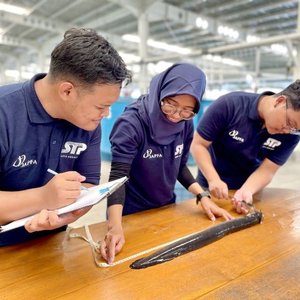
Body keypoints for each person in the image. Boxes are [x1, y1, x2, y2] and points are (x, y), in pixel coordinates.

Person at [0, 28, 131, 246]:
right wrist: (43, 198)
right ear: (67, 91)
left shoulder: (88, 122)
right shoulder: (5, 113)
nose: (106, 114)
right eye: (101, 106)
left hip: (53, 243)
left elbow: (89, 186)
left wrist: (69, 213)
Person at [100, 63, 233, 264]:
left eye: (187, 110)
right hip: (129, 213)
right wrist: (115, 227)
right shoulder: (131, 124)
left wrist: (203, 196)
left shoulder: (185, 123)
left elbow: (179, 166)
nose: (175, 115)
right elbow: (118, 178)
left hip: (165, 207)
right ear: (160, 92)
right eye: (170, 104)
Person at [190, 81, 300, 214]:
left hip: (250, 189)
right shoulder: (229, 105)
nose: (287, 131)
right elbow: (198, 144)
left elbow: (268, 169)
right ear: (280, 101)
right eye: (289, 122)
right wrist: (213, 179)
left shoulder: (292, 134)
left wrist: (247, 190)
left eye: (295, 129)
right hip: (209, 184)